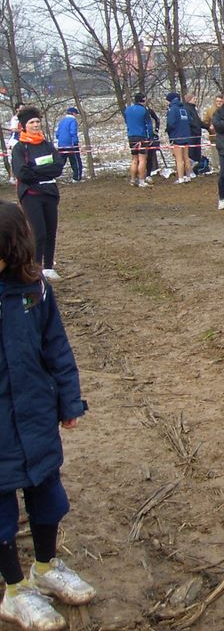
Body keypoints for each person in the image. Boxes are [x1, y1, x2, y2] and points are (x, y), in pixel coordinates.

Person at [0, 202, 95, 631]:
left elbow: (56, 346)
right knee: (1, 511)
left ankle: (45, 566)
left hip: (37, 414)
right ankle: (15, 591)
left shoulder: (34, 290)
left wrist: (69, 401)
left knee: (47, 495)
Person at [11, 107, 67, 282]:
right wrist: (43, 171)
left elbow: (58, 167)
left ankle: (48, 267)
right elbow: (22, 173)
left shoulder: (47, 145)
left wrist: (36, 169)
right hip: (31, 194)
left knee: (51, 231)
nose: (35, 125)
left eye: (37, 122)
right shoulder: (20, 148)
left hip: (50, 193)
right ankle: (35, 269)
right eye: (31, 122)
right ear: (24, 126)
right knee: (39, 232)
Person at [124, 93, 153, 188]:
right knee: (142, 159)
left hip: (131, 136)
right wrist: (151, 137)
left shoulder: (127, 110)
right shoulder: (144, 110)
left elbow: (127, 122)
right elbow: (149, 125)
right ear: (143, 100)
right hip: (141, 136)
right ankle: (141, 180)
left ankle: (133, 180)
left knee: (134, 159)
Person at [165, 92, 194, 184]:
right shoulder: (184, 108)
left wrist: (168, 130)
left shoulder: (173, 109)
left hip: (177, 136)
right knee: (186, 157)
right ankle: (188, 176)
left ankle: (181, 178)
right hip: (186, 136)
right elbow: (190, 120)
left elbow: (171, 123)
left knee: (179, 159)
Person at [55, 107, 83, 183]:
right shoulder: (73, 120)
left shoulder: (62, 121)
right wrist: (75, 142)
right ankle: (77, 178)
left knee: (60, 162)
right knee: (75, 161)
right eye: (76, 114)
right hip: (71, 144)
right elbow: (73, 132)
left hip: (61, 144)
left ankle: (53, 176)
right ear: (73, 113)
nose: (76, 115)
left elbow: (57, 134)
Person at [182, 93, 208, 174]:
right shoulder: (186, 108)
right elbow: (192, 122)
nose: (196, 100)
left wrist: (207, 126)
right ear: (189, 100)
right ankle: (189, 171)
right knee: (190, 154)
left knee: (196, 154)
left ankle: (194, 170)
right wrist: (197, 126)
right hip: (191, 135)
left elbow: (198, 121)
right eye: (194, 99)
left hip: (196, 134)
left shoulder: (193, 108)